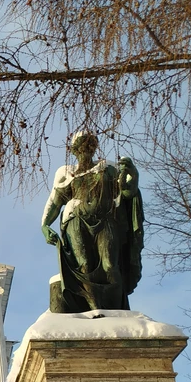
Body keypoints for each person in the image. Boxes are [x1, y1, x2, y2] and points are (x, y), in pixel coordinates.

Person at [41, 132, 143, 312]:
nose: (86, 150)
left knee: (110, 265)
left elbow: (127, 193)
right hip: (76, 221)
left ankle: (116, 310)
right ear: (74, 150)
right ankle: (93, 308)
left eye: (90, 145)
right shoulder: (67, 173)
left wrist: (132, 176)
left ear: (94, 148)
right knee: (84, 265)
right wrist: (45, 225)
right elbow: (55, 202)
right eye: (82, 146)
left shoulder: (108, 169)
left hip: (105, 220)